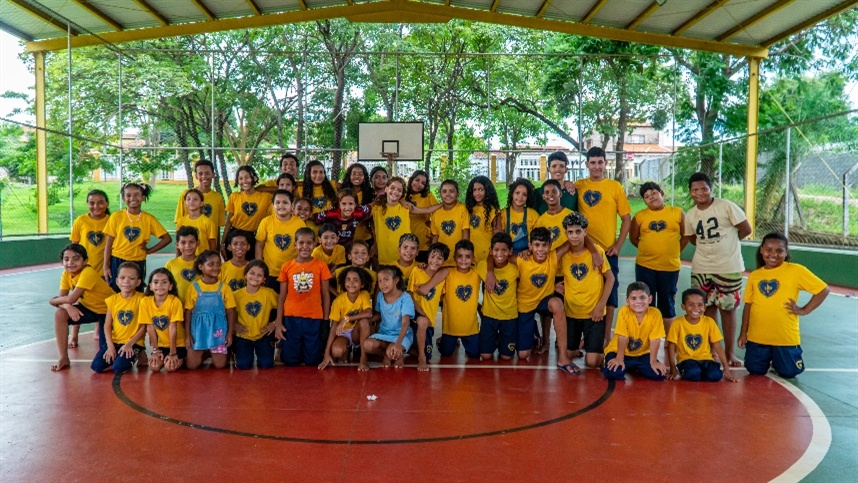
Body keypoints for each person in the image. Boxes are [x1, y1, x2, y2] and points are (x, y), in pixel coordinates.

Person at [684, 171, 752, 367]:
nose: (700, 193)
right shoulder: (690, 214)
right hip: (701, 267)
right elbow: (691, 238)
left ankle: (730, 353)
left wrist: (728, 243)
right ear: (690, 192)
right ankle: (714, 351)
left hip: (728, 267)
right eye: (695, 190)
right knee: (707, 308)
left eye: (704, 189)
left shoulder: (726, 206)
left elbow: (745, 229)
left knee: (728, 309)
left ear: (711, 188)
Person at [739, 232, 830, 378]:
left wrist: (804, 310)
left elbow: (823, 290)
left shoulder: (796, 270)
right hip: (757, 337)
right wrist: (743, 333)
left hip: (785, 337)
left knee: (789, 372)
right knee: (754, 370)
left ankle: (778, 360)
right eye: (768, 250)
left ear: (786, 252)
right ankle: (771, 358)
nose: (773, 254)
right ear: (761, 250)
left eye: (779, 250)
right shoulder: (755, 275)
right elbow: (748, 306)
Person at [486, 228, 570, 370]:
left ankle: (563, 356)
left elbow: (573, 241)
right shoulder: (521, 259)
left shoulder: (553, 257)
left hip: (544, 301)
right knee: (523, 355)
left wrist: (593, 250)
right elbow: (494, 256)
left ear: (550, 245)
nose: (541, 249)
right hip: (525, 306)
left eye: (544, 245)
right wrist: (489, 272)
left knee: (557, 303)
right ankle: (534, 334)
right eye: (537, 245)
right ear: (530, 246)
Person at [575, 147, 631, 344]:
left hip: (607, 250)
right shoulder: (578, 185)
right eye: (593, 162)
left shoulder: (615, 187)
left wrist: (618, 244)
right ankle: (584, 336)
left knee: (610, 294)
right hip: (584, 250)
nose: (597, 166)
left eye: (600, 162)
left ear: (606, 163)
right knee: (586, 291)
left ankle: (606, 338)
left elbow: (626, 219)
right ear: (587, 164)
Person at [630, 181, 686, 333]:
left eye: (653, 193)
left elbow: (686, 236)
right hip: (645, 266)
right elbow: (634, 238)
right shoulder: (640, 216)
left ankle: (668, 342)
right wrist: (648, 250)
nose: (651, 198)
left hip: (669, 267)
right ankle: (646, 339)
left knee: (667, 303)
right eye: (646, 196)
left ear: (661, 193)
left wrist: (673, 250)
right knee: (645, 302)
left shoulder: (677, 212)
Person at [560, 212, 613, 370]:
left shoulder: (597, 252)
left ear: (585, 232)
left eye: (578, 231)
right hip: (572, 313)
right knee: (568, 355)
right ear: (565, 233)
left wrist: (601, 305)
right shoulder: (563, 255)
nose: (574, 236)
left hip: (594, 314)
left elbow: (610, 279)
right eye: (570, 232)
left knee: (592, 363)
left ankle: (596, 346)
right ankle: (581, 344)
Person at [49, 244, 115, 371]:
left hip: (109, 313)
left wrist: (62, 302)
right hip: (90, 309)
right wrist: (68, 307)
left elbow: (68, 299)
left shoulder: (88, 272)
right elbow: (61, 300)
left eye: (76, 258)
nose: (70, 262)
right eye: (66, 259)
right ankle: (63, 358)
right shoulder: (66, 275)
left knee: (103, 363)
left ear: (85, 261)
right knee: (60, 314)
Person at [275, 227, 332, 366]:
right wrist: (278, 322)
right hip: (291, 317)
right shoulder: (286, 266)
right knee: (290, 361)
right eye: (301, 243)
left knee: (312, 361)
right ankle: (281, 348)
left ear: (315, 244)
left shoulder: (321, 266)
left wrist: (325, 321)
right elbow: (282, 296)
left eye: (309, 243)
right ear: (295, 244)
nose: (305, 246)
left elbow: (325, 294)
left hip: (314, 318)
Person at [103, 182, 171, 291]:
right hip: (117, 259)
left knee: (136, 291)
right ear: (124, 198)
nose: (132, 198)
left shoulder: (149, 219)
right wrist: (106, 266)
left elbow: (167, 238)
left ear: (143, 197)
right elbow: (108, 243)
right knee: (116, 290)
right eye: (128, 195)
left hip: (138, 260)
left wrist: (149, 251)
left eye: (136, 195)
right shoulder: (116, 216)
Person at [667, 288, 738, 382]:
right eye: (691, 305)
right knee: (693, 373)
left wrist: (726, 368)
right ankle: (695, 372)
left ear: (704, 307)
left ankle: (702, 372)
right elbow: (671, 346)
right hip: (686, 360)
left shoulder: (709, 322)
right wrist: (673, 368)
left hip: (706, 359)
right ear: (683, 306)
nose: (696, 308)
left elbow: (718, 346)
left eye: (700, 305)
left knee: (715, 376)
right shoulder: (677, 323)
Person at [68, 188, 110, 347]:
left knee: (102, 302)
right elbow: (74, 246)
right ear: (87, 204)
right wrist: (73, 266)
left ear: (106, 204)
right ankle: (74, 335)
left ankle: (99, 329)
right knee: (79, 300)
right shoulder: (81, 221)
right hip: (83, 271)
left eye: (100, 202)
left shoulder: (111, 220)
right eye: (92, 203)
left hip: (103, 270)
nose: (96, 206)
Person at [602, 282, 668, 381]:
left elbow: (655, 339)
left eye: (642, 298)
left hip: (642, 354)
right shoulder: (624, 311)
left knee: (659, 374)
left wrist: (653, 361)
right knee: (614, 373)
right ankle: (628, 365)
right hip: (619, 351)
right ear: (627, 300)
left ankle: (634, 366)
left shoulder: (655, 314)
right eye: (633, 298)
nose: (638, 302)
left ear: (650, 299)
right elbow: (623, 336)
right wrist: (619, 358)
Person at [185, 250, 236, 370]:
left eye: (218, 264)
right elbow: (188, 312)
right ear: (201, 266)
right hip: (198, 331)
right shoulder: (193, 288)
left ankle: (213, 351)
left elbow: (230, 311)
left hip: (217, 330)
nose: (216, 267)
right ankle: (205, 351)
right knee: (192, 366)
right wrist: (188, 335)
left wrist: (229, 334)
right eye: (211, 264)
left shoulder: (224, 288)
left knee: (220, 365)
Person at [92, 262, 145, 374]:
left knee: (119, 368)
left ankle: (138, 353)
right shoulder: (112, 300)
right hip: (115, 341)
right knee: (96, 366)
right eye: (122, 278)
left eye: (131, 278)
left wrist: (130, 344)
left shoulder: (142, 300)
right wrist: (110, 346)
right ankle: (117, 355)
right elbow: (107, 326)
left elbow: (145, 326)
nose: (126, 281)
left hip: (133, 343)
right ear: (117, 281)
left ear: (138, 282)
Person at [372, 177, 438, 265]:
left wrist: (445, 203)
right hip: (385, 258)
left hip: (405, 258)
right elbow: (367, 221)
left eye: (399, 190)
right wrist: (374, 243)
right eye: (392, 188)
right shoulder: (376, 208)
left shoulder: (406, 207)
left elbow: (428, 210)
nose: (395, 191)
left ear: (402, 194)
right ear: (386, 189)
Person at [318, 266, 374, 371]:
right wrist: (327, 353)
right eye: (348, 280)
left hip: (358, 332)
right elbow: (334, 327)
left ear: (362, 284)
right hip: (345, 333)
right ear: (344, 283)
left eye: (355, 280)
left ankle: (363, 358)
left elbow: (369, 313)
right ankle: (346, 349)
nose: (351, 283)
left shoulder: (364, 295)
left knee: (364, 321)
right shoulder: (338, 301)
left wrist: (347, 318)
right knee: (337, 351)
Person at [475, 233, 519, 361]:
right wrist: (490, 272)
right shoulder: (483, 266)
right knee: (485, 356)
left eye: (504, 250)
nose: (500, 254)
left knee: (506, 357)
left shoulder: (516, 269)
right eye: (496, 250)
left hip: (509, 316)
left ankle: (502, 340)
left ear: (510, 251)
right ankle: (493, 339)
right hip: (489, 316)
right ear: (490, 251)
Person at [362, 265, 415, 369]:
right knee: (367, 345)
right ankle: (391, 354)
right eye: (380, 281)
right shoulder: (380, 296)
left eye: (386, 280)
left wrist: (398, 344)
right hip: (384, 334)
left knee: (392, 349)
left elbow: (405, 323)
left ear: (396, 280)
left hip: (401, 335)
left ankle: (393, 353)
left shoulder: (405, 298)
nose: (382, 284)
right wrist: (365, 321)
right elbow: (379, 315)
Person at [408, 243, 450, 371]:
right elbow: (409, 295)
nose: (435, 261)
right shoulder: (416, 271)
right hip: (414, 315)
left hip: (429, 322)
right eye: (433, 256)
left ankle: (414, 349)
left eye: (439, 258)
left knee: (429, 354)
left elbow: (447, 271)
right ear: (427, 256)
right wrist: (422, 313)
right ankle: (421, 358)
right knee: (422, 321)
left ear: (444, 261)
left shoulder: (442, 277)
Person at [255, 190, 306, 291]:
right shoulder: (266, 222)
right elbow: (259, 246)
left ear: (292, 205)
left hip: (293, 271)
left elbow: (303, 248)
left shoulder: (300, 223)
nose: (281, 205)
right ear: (273, 205)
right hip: (271, 272)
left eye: (285, 202)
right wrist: (260, 268)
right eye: (277, 202)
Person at [232, 260, 279, 370]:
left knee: (267, 364)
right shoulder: (236, 295)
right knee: (243, 365)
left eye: (259, 275)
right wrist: (234, 324)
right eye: (252, 273)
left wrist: (275, 323)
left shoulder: (269, 293)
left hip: (263, 335)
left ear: (264, 279)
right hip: (243, 336)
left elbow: (284, 307)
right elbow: (228, 312)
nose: (255, 277)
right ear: (245, 275)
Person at [438, 240, 481, 358]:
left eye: (467, 257)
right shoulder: (448, 273)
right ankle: (441, 341)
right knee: (445, 353)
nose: (463, 260)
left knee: (475, 354)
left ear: (473, 258)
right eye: (460, 256)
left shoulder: (477, 273)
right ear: (454, 258)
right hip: (450, 327)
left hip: (470, 328)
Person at [139, 269, 186, 372]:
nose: (160, 285)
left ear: (170, 286)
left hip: (178, 344)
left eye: (164, 282)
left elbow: (173, 328)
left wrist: (173, 353)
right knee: (154, 367)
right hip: (162, 344)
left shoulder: (174, 301)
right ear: (150, 286)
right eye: (156, 282)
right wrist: (155, 350)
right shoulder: (145, 302)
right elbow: (150, 327)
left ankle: (185, 357)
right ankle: (165, 357)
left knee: (170, 367)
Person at [223, 165, 271, 260]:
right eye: (240, 178)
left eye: (247, 177)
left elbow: (282, 189)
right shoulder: (235, 196)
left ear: (254, 178)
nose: (244, 181)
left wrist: (260, 188)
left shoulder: (265, 197)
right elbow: (229, 221)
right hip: (235, 235)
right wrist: (223, 241)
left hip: (253, 237)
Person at [174, 159, 225, 245]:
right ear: (196, 176)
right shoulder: (186, 195)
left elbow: (217, 227)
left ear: (213, 175)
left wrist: (217, 248)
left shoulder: (218, 197)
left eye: (207, 173)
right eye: (200, 173)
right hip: (189, 247)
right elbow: (179, 226)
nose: (204, 176)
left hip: (207, 248)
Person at [430, 179, 470, 266]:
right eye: (444, 191)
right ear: (440, 194)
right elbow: (435, 236)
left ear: (457, 193)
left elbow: (465, 233)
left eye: (451, 191)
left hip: (458, 258)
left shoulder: (462, 209)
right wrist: (432, 255)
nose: (448, 194)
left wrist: (463, 255)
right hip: (441, 259)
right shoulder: (436, 213)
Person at [465, 175, 501, 263]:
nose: (477, 193)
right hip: (471, 255)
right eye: (474, 190)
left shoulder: (494, 211)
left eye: (481, 189)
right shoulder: (468, 209)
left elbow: (498, 236)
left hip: (488, 255)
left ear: (487, 191)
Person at [497, 178, 538, 255]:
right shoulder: (502, 214)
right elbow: (499, 239)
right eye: (517, 193)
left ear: (528, 197)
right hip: (507, 256)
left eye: (524, 194)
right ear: (512, 194)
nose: (520, 197)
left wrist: (529, 251)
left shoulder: (533, 215)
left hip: (527, 256)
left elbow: (537, 240)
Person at [405, 170, 438, 262]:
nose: (419, 184)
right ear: (411, 180)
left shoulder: (428, 196)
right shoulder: (402, 195)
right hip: (405, 241)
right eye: (417, 180)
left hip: (423, 241)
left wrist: (434, 234)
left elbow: (438, 214)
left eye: (423, 183)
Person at [339, 163, 375, 243]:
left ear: (365, 177)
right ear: (349, 176)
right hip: (344, 237)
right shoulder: (341, 193)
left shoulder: (370, 194)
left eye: (360, 174)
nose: (357, 176)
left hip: (364, 238)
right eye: (354, 173)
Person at [175, 188, 218, 256]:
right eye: (188, 199)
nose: (191, 201)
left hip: (202, 260)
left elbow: (213, 245)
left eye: (195, 199)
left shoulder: (208, 222)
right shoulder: (181, 221)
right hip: (186, 260)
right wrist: (177, 259)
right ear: (185, 203)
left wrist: (207, 260)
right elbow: (179, 242)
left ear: (201, 203)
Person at [165, 226, 200, 302]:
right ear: (177, 245)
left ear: (198, 243)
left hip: (200, 308)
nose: (187, 246)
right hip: (177, 307)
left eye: (191, 242)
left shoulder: (203, 263)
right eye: (183, 242)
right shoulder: (170, 265)